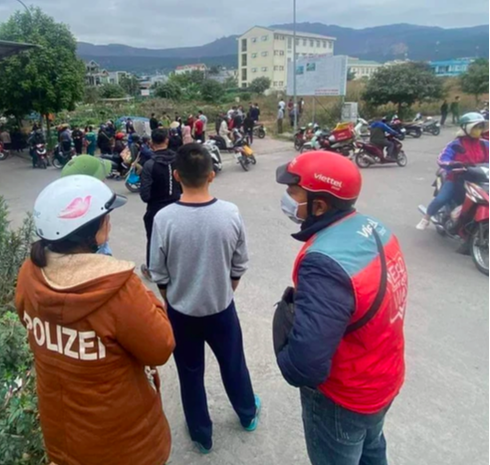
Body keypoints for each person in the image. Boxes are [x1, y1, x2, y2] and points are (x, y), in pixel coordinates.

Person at [15, 176, 175, 465]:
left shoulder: (30, 273)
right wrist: (144, 294)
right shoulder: (119, 288)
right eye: (106, 218)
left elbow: (26, 319)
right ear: (94, 232)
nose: (109, 222)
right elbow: (161, 347)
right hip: (125, 446)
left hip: (61, 436)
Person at [275, 150, 408, 465]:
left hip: (346, 396)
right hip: (385, 375)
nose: (287, 197)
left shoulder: (325, 263)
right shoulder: (375, 228)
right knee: (372, 448)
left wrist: (283, 350)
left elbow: (305, 366)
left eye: (293, 191)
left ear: (319, 205)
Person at [149, 143, 260, 454]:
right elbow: (239, 263)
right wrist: (226, 290)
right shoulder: (230, 213)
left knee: (190, 373)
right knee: (233, 363)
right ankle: (247, 413)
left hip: (181, 313)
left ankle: (202, 435)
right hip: (221, 309)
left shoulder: (164, 218)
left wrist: (172, 298)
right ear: (212, 175)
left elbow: (158, 271)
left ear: (176, 175)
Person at [416, 112, 489, 231]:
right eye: (475, 127)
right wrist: (453, 164)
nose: (478, 130)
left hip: (480, 179)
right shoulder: (455, 144)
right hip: (457, 178)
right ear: (466, 127)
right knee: (442, 198)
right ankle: (426, 218)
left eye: (481, 127)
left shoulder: (485, 144)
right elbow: (442, 159)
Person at [140, 128, 181, 278]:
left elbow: (145, 195)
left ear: (151, 143)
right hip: (178, 207)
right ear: (167, 141)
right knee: (177, 239)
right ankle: (177, 268)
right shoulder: (179, 161)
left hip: (156, 209)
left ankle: (153, 270)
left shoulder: (149, 165)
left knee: (154, 240)